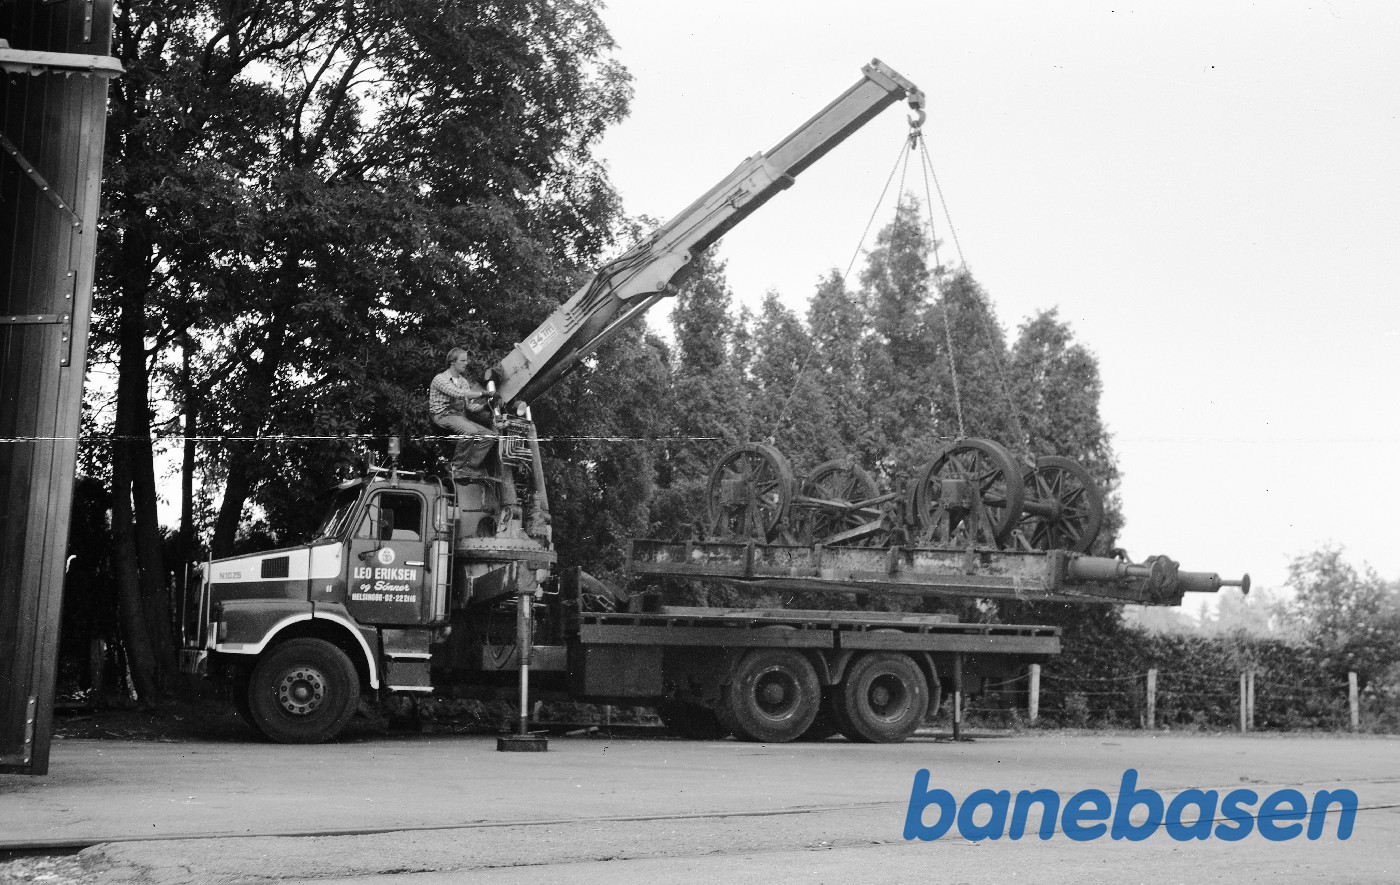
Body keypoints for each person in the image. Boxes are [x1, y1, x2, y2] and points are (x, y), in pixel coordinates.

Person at [428, 347, 496, 478]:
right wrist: (485, 393)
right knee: (470, 431)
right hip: (442, 416)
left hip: (457, 417)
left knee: (490, 436)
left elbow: (471, 408)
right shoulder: (440, 379)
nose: (466, 363)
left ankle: (469, 467)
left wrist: (487, 406)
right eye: (463, 360)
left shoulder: (463, 382)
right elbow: (458, 393)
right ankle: (455, 467)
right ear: (452, 362)